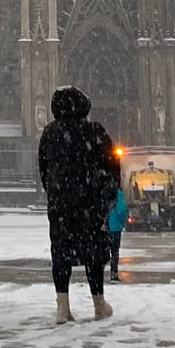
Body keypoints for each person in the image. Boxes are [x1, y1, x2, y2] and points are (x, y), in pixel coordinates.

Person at [37, 85, 120, 322]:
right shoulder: (94, 131)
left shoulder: (49, 133)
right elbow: (112, 165)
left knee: (61, 254)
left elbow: (43, 170)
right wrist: (108, 193)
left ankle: (62, 307)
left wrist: (56, 194)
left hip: (60, 207)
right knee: (94, 254)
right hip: (90, 205)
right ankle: (99, 303)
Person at [106, 183, 129, 282]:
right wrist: (123, 222)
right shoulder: (118, 194)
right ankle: (113, 273)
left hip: (105, 228)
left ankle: (98, 274)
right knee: (114, 252)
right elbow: (122, 210)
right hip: (115, 229)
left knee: (103, 252)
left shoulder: (102, 193)